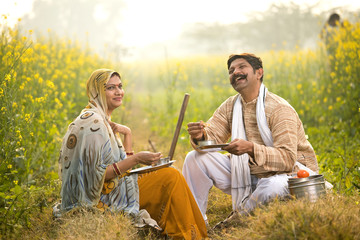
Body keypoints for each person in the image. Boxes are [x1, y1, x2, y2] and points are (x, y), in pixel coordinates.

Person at [54, 69, 207, 239]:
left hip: (112, 189)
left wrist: (127, 133)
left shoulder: (98, 117)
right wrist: (137, 159)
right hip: (102, 200)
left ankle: (190, 232)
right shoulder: (94, 124)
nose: (119, 92)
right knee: (170, 177)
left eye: (120, 86)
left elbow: (121, 163)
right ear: (96, 91)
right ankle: (187, 235)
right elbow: (99, 175)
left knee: (169, 175)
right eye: (111, 88)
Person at [182, 53, 319, 226]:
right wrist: (200, 136)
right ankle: (194, 224)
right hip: (247, 173)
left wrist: (251, 148)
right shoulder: (230, 106)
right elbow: (212, 138)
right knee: (194, 159)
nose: (235, 72)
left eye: (241, 67)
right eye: (231, 70)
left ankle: (235, 221)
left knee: (271, 186)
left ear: (259, 73)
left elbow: (288, 160)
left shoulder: (279, 109)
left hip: (289, 174)